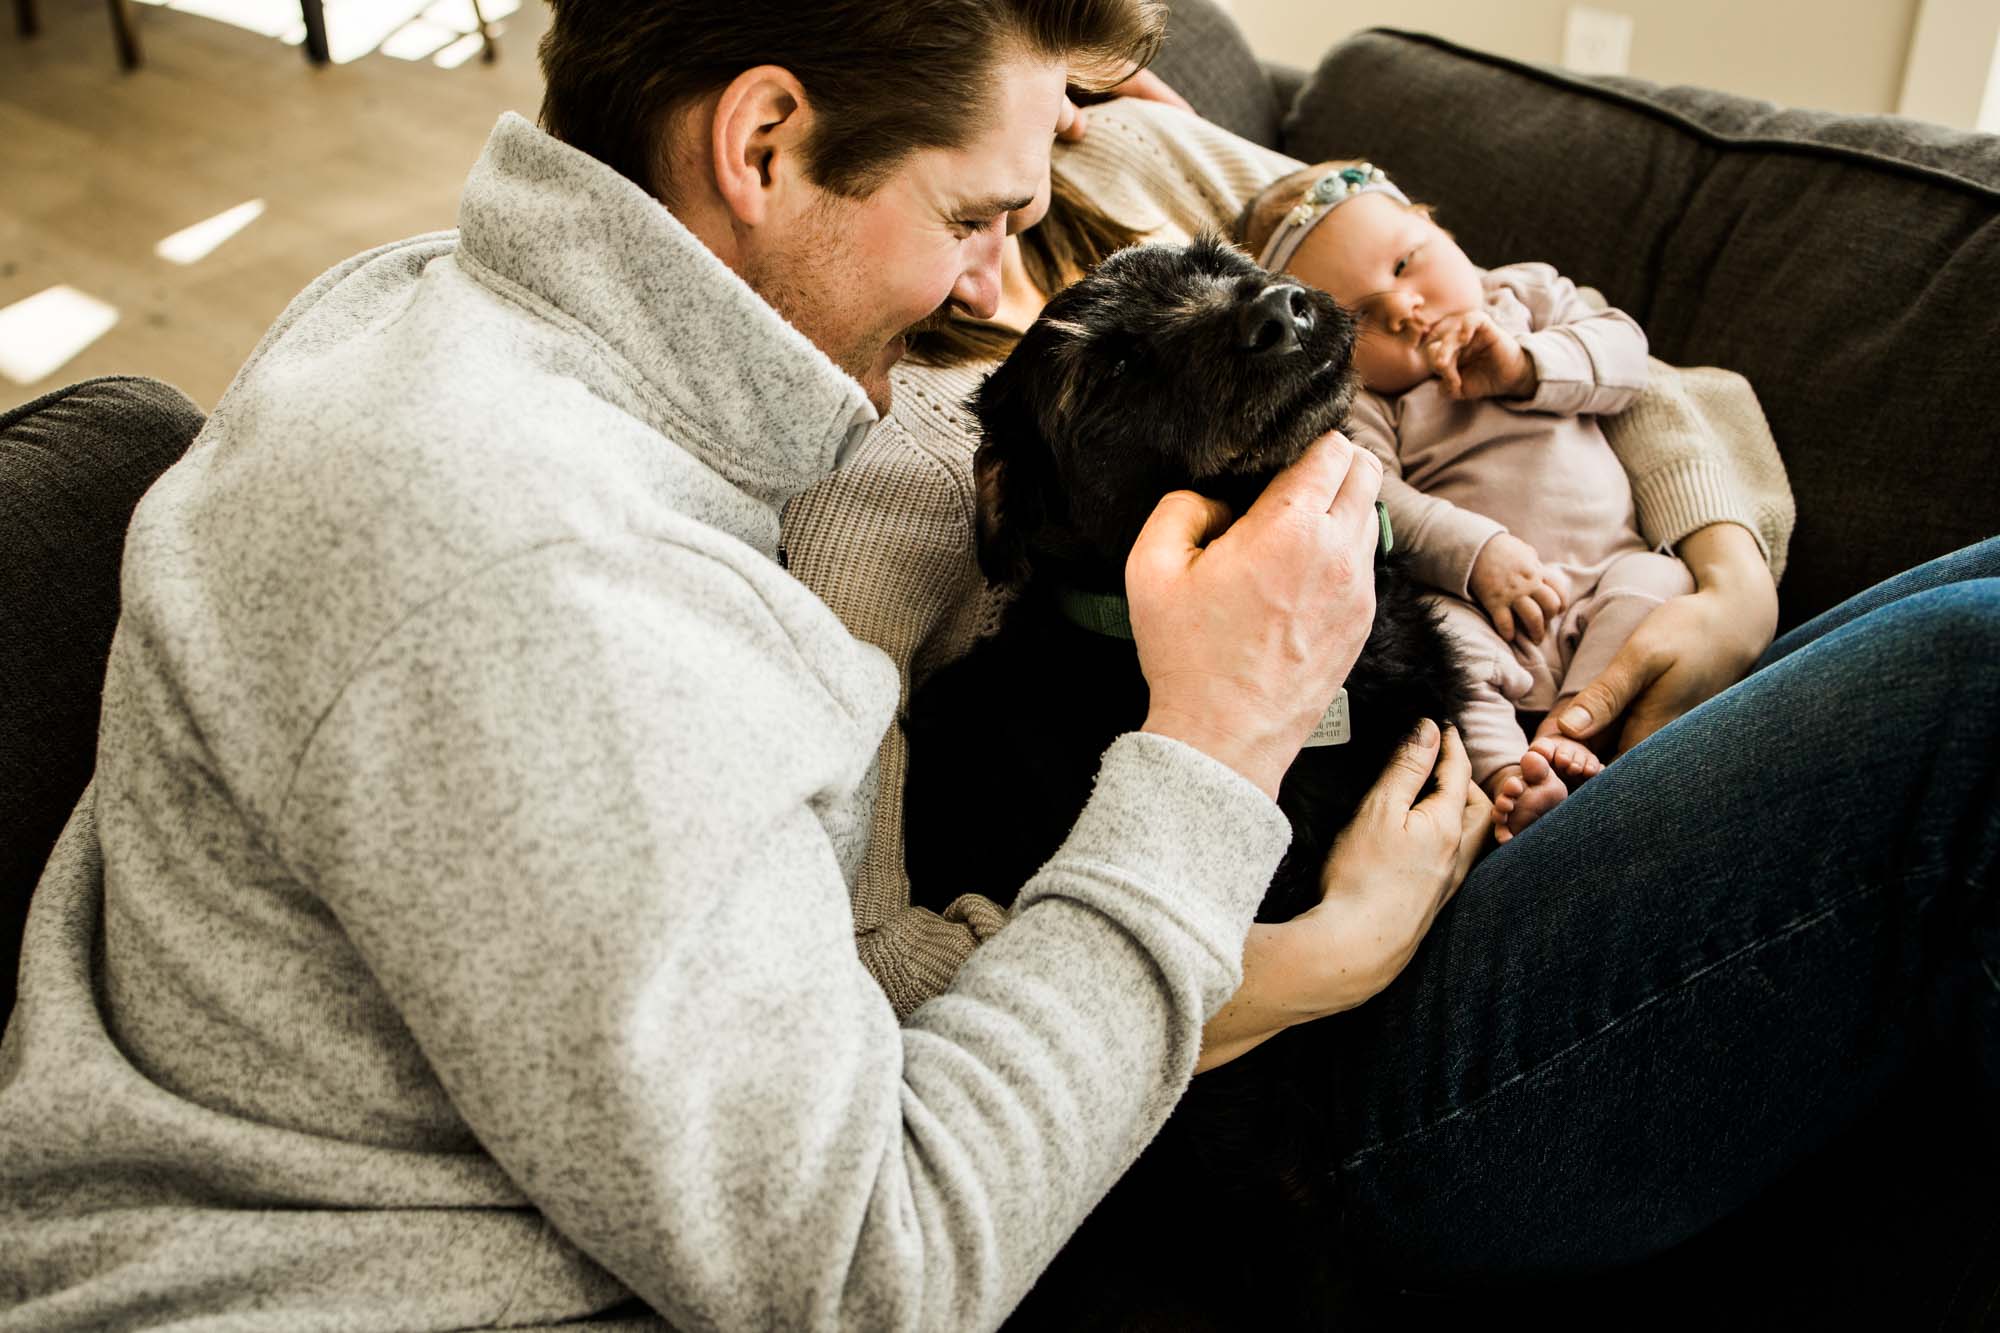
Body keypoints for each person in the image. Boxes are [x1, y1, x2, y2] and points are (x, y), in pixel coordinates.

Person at [0, 4, 1492, 1330]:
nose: (994, 293)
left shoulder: (439, 309)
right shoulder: (535, 578)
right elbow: (870, 1273)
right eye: (977, 216)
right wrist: (1234, 795)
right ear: (765, 142)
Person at [783, 89, 1998, 1298]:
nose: (1058, 148)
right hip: (1317, 1059)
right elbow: (857, 982)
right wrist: (1324, 952)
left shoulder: (1114, 146)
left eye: (1075, 84)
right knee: (1970, 674)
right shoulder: (883, 464)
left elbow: (1568, 332)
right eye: (976, 198)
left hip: (1541, 703)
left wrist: (1724, 583)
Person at [1236, 159, 1698, 841]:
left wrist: (1521, 365)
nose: (1401, 309)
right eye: (1361, 316)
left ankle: (1574, 728)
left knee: (1664, 579)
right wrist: (1477, 553)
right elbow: (1377, 497)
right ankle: (1509, 773)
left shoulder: (1525, 298)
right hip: (1485, 601)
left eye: (1404, 264)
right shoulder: (1371, 403)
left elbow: (1627, 358)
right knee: (1448, 648)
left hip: (1609, 570)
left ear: (1433, 225)